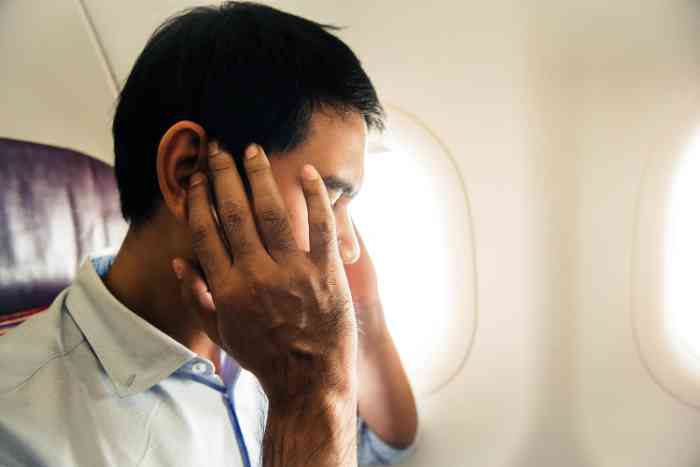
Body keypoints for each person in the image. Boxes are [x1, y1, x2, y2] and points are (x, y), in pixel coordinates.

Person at [0, 2, 417, 467]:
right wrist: (308, 392)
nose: (348, 245)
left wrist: (365, 311)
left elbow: (385, 447)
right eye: (327, 197)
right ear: (187, 171)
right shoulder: (18, 427)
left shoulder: (265, 335)